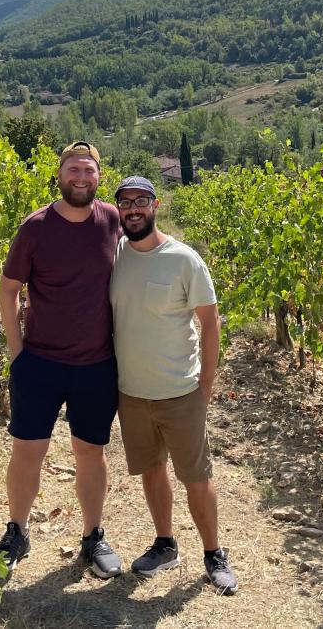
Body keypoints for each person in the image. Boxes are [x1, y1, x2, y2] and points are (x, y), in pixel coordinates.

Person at [0, 141, 123, 579]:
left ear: (99, 176)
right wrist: (17, 353)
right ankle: (17, 530)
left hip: (97, 364)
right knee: (28, 451)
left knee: (92, 453)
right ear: (59, 174)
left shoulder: (112, 221)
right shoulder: (35, 228)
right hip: (40, 365)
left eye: (88, 169)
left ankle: (93, 536)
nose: (80, 176)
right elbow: (8, 290)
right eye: (73, 169)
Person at [109, 176, 239, 595]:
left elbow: (210, 325)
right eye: (125, 202)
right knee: (151, 471)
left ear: (155, 204)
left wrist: (204, 388)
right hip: (131, 393)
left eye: (141, 201)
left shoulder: (184, 259)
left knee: (196, 477)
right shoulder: (115, 256)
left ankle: (214, 554)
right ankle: (165, 544)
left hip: (181, 392)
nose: (133, 208)